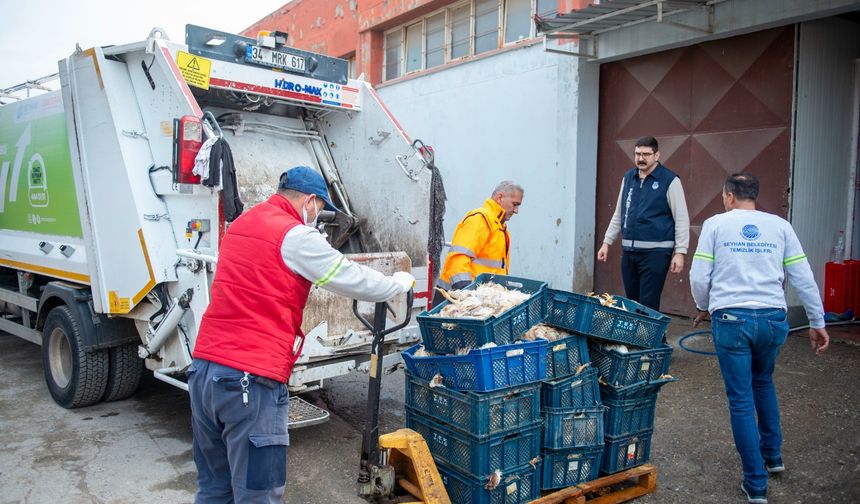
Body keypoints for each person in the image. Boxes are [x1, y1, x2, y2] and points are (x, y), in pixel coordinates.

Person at [187, 166, 415, 503]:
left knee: (214, 489)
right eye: (321, 208)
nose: (320, 216)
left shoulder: (242, 225)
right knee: (258, 492)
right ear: (309, 201)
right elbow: (346, 275)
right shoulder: (294, 235)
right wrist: (393, 286)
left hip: (205, 372)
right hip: (249, 379)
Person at [690, 172, 829, 504]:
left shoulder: (715, 225)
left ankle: (755, 483)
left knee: (740, 398)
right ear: (754, 195)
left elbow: (699, 276)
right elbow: (803, 275)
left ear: (729, 196)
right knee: (763, 382)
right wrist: (817, 320)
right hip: (772, 319)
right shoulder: (779, 226)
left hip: (731, 318)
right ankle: (773, 457)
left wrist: (703, 305)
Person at [597, 136, 689, 311]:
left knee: (648, 303)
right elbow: (619, 213)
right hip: (630, 251)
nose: (641, 158)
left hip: (656, 252)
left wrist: (680, 252)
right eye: (638, 154)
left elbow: (681, 218)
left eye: (646, 154)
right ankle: (635, 338)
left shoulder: (670, 180)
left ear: (657, 155)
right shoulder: (628, 178)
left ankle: (653, 338)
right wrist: (606, 242)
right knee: (632, 302)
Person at [434, 181, 523, 304]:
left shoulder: (500, 228)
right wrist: (466, 293)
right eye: (515, 204)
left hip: (477, 300)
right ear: (500, 198)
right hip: (455, 300)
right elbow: (458, 258)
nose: (516, 210)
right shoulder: (480, 219)